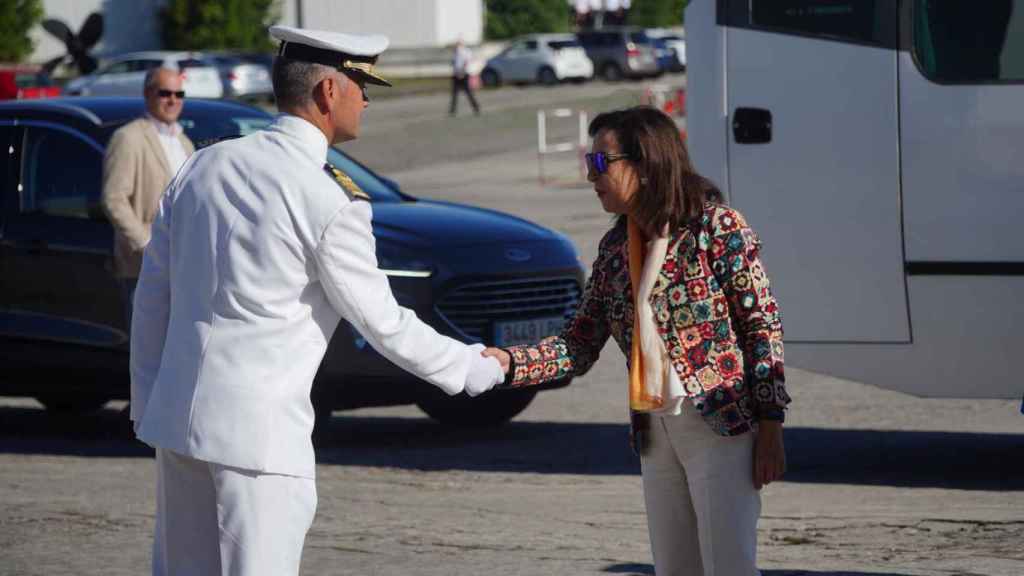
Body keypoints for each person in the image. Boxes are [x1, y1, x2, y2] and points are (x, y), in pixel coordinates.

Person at [130, 25, 505, 576]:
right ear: (329, 91)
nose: (367, 101)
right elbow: (384, 323)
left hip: (178, 424)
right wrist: (472, 368)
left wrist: (148, 404)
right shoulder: (327, 198)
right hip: (259, 439)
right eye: (363, 86)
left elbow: (151, 298)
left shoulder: (201, 166)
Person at [484, 106, 790, 576]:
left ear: (645, 163)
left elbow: (762, 327)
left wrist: (771, 425)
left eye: (600, 162)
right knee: (674, 568)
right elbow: (578, 344)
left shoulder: (716, 226)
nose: (591, 176)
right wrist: (508, 363)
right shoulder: (613, 249)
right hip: (654, 430)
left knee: (729, 566)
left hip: (721, 425)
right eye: (588, 163)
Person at [102, 66, 194, 324]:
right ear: (147, 94)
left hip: (183, 266)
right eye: (165, 93)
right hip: (142, 268)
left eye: (179, 94)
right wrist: (146, 245)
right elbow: (114, 199)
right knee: (145, 345)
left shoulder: (185, 143)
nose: (173, 100)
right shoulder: (128, 138)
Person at [448, 39, 480, 116]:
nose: (456, 46)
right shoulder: (456, 53)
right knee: (454, 93)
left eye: (457, 44)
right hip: (456, 74)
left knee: (468, 92)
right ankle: (452, 110)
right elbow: (455, 63)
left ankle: (476, 107)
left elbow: (466, 62)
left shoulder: (465, 52)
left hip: (463, 74)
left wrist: (462, 72)